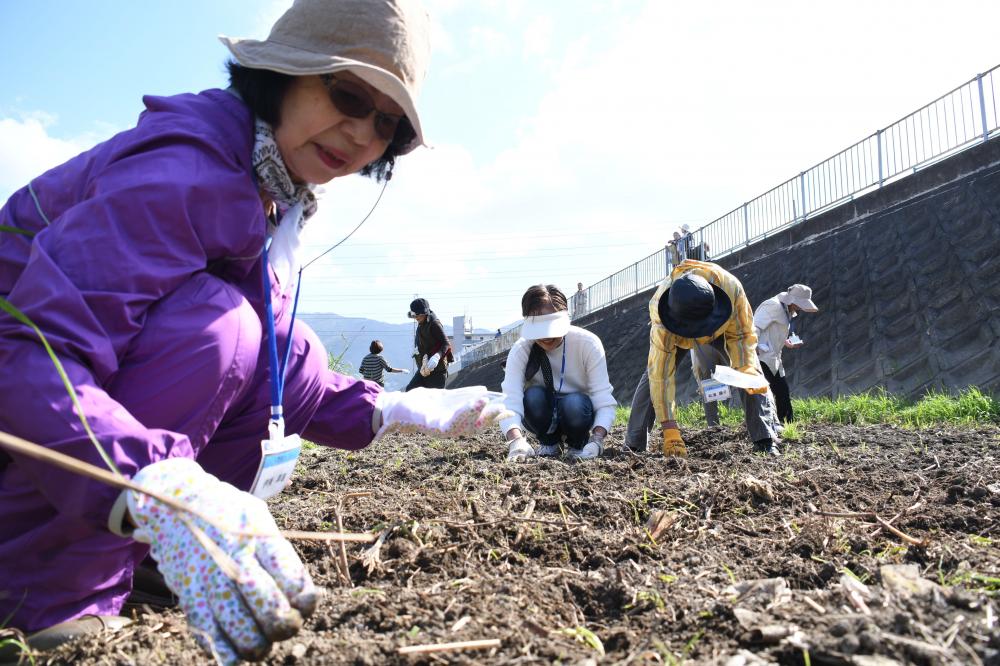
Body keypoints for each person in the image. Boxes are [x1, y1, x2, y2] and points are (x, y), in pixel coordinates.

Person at [0, 1, 506, 663]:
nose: (360, 135)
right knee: (219, 330)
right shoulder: (186, 169)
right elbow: (35, 352)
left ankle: (146, 561)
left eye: (386, 125)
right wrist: (149, 482)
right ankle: (39, 594)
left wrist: (387, 407)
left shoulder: (273, 187)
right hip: (26, 416)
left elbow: (280, 363)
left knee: (278, 350)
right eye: (348, 95)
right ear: (283, 75)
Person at [646, 259, 782, 457]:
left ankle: (765, 439)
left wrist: (746, 368)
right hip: (677, 333)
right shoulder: (661, 314)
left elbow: (743, 336)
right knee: (651, 374)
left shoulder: (731, 288)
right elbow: (661, 375)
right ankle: (634, 443)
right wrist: (669, 428)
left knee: (751, 374)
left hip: (721, 329)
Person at [502, 285, 616, 462]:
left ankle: (578, 444)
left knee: (574, 403)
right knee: (532, 396)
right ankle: (548, 443)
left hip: (579, 414)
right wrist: (515, 441)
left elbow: (603, 398)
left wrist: (597, 440)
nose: (546, 337)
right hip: (543, 414)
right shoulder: (521, 350)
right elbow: (510, 400)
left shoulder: (587, 344)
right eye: (540, 330)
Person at [753, 284, 819, 423]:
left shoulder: (787, 309)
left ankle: (785, 423)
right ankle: (771, 424)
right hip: (762, 356)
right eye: (801, 304)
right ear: (792, 300)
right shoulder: (772, 306)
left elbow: (774, 331)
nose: (801, 307)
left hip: (774, 357)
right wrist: (753, 346)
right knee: (768, 393)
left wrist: (786, 342)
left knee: (782, 391)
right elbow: (755, 327)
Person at [405, 297, 454, 390]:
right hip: (423, 368)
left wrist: (437, 357)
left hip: (437, 370)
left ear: (425, 313)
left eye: (418, 314)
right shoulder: (421, 323)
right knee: (410, 390)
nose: (416, 317)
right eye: (414, 315)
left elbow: (446, 343)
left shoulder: (434, 324)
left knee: (434, 399)